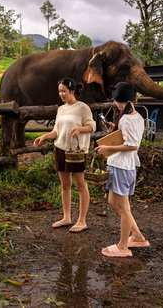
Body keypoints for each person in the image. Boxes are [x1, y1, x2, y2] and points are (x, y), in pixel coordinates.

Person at [33, 78, 96, 232]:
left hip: (76, 151)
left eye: (64, 91)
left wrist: (80, 129)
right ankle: (66, 217)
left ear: (72, 91)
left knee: (81, 185)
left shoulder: (82, 108)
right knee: (65, 184)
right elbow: (56, 131)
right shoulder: (61, 109)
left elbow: (92, 126)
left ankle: (82, 220)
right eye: (59, 91)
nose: (61, 94)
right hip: (60, 149)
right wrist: (43, 137)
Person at [95, 82, 149, 258]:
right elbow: (128, 139)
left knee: (124, 208)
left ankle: (123, 246)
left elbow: (132, 145)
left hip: (122, 167)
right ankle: (138, 236)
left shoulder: (126, 119)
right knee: (113, 201)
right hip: (123, 166)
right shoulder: (137, 117)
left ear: (121, 101)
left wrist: (108, 149)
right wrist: (114, 132)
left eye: (115, 100)